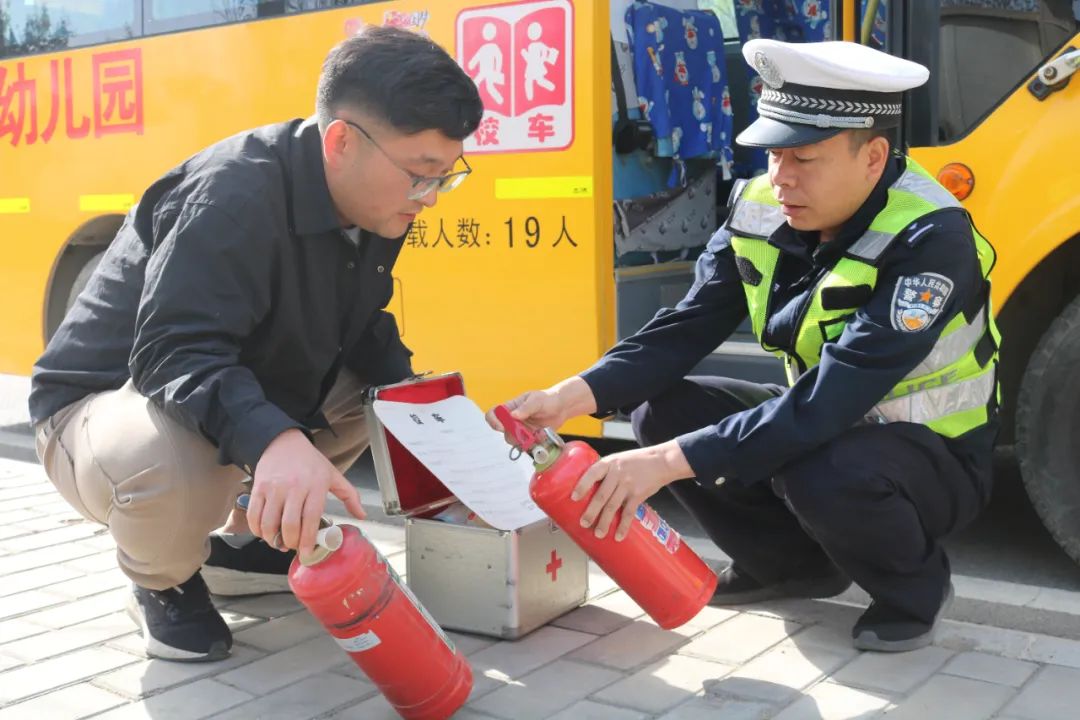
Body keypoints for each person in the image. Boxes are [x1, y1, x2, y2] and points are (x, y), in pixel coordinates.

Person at [490, 39, 999, 653]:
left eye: (803, 157)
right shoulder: (760, 206)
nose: (780, 177)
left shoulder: (931, 238)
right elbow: (686, 326)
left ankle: (915, 592)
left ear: (873, 157)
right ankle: (789, 568)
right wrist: (569, 396)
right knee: (662, 411)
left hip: (934, 455)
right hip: (832, 424)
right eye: (774, 154)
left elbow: (833, 397)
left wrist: (664, 464)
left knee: (820, 471)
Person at [29, 26, 483, 662]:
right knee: (170, 461)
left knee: (379, 401)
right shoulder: (233, 193)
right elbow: (172, 352)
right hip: (98, 414)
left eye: (444, 176)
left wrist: (436, 419)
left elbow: (361, 326)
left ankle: (245, 546)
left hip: (196, 383)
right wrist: (276, 441)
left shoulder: (374, 203)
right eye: (420, 174)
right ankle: (160, 578)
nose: (429, 197)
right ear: (342, 141)